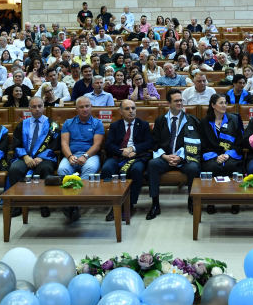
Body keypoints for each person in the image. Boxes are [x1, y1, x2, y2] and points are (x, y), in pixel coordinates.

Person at [147, 89, 202, 219]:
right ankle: (155, 204)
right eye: (176, 101)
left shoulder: (191, 120)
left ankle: (191, 201)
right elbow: (155, 142)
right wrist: (164, 156)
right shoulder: (160, 120)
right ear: (168, 103)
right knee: (152, 164)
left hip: (184, 158)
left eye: (181, 100)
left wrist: (180, 157)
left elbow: (195, 142)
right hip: (165, 158)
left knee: (194, 167)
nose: (179, 103)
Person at [7, 98, 61, 218]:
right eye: (34, 107)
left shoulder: (53, 125)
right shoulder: (22, 125)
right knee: (14, 169)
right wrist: (26, 157)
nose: (37, 109)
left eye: (40, 106)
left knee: (45, 169)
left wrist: (41, 157)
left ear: (44, 107)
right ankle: (18, 205)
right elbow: (17, 144)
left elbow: (55, 145)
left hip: (45, 158)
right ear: (29, 108)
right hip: (25, 157)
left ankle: (44, 204)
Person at [101, 99, 153, 221]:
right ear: (121, 111)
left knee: (137, 170)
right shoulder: (115, 126)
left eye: (133, 108)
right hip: (117, 156)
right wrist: (122, 151)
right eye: (127, 109)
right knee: (107, 169)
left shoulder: (143, 125)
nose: (131, 111)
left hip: (136, 157)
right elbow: (108, 145)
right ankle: (114, 204)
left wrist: (133, 148)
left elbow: (150, 143)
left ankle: (129, 204)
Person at [57, 97, 105, 221]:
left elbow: (97, 145)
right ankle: (70, 203)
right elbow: (64, 144)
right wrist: (69, 156)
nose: (85, 109)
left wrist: (85, 156)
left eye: (87, 106)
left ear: (91, 107)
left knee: (90, 168)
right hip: (71, 155)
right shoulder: (68, 123)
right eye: (82, 107)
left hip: (90, 156)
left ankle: (75, 204)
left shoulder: (97, 123)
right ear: (76, 108)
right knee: (62, 169)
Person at [199, 95, 243, 214]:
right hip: (211, 155)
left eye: (226, 103)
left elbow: (239, 141)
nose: (224, 105)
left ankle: (235, 201)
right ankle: (210, 201)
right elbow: (203, 143)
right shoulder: (204, 122)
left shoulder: (233, 120)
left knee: (232, 167)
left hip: (230, 154)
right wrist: (216, 156)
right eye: (221, 103)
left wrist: (228, 155)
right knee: (212, 167)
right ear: (213, 105)